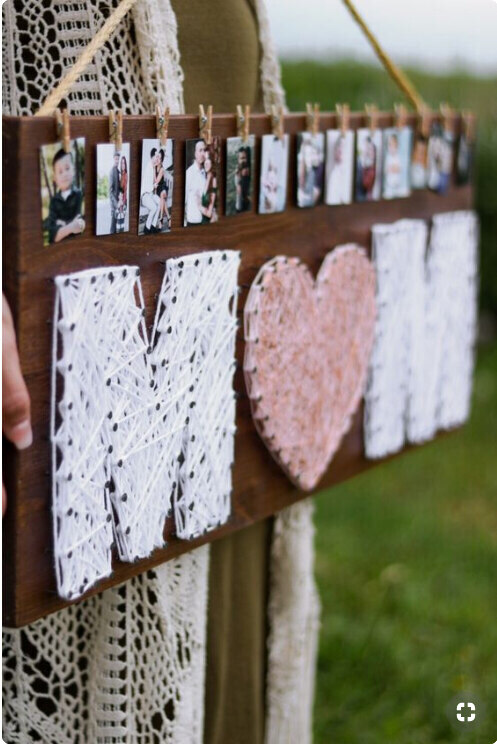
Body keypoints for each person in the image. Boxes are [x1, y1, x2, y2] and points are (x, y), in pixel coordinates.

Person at [46, 148, 85, 244]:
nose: (64, 174)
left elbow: (80, 225)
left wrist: (63, 226)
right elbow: (53, 236)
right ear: (55, 178)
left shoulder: (79, 195)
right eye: (60, 171)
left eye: (67, 168)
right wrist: (71, 227)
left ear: (74, 170)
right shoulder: (54, 202)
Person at [184, 139, 207, 225]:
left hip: (204, 220)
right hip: (193, 221)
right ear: (195, 153)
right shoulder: (189, 173)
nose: (202, 153)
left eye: (204, 150)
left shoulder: (205, 172)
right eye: (200, 150)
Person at [140, 147, 161, 234]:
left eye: (158, 156)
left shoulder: (152, 167)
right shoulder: (148, 168)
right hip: (145, 195)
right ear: (152, 157)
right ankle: (147, 228)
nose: (157, 158)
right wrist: (154, 185)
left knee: (160, 202)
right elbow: (148, 187)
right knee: (154, 208)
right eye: (156, 156)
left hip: (150, 194)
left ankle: (152, 225)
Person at [153, 148, 171, 230]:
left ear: (162, 160)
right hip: (158, 190)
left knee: (162, 195)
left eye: (159, 158)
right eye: (157, 157)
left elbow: (156, 181)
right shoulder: (155, 166)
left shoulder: (162, 169)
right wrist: (153, 168)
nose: (157, 159)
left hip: (163, 188)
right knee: (162, 199)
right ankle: (168, 218)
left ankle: (160, 219)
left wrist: (153, 169)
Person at [200, 148, 218, 223]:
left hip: (209, 220)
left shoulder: (213, 180)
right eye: (205, 159)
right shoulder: (204, 176)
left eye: (208, 159)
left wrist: (199, 206)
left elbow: (210, 212)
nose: (206, 162)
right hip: (202, 217)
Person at [383, 132, 402, 198]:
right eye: (390, 145)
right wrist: (392, 168)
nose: (392, 147)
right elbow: (386, 170)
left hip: (397, 184)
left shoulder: (398, 157)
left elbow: (398, 169)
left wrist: (393, 168)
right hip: (389, 184)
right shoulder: (388, 157)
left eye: (394, 144)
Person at [235, 146, 251, 212]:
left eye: (245, 158)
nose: (243, 160)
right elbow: (239, 190)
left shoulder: (246, 169)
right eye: (241, 158)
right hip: (240, 206)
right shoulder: (238, 172)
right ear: (238, 160)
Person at [109, 151, 121, 233]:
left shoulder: (117, 170)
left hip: (118, 201)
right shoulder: (112, 171)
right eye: (116, 159)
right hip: (114, 204)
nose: (117, 161)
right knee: (113, 227)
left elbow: (118, 187)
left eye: (118, 159)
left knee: (117, 225)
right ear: (113, 159)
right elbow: (110, 191)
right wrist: (116, 204)